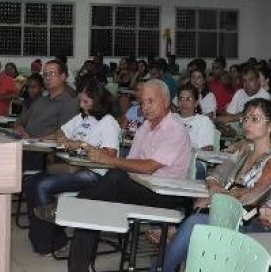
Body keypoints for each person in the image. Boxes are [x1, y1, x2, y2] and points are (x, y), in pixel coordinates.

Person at [66, 80, 191, 272]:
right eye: (142, 102)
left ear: (165, 102)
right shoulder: (144, 128)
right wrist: (105, 160)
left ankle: (75, 209)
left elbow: (149, 167)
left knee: (107, 184)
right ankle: (80, 266)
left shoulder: (176, 130)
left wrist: (109, 160)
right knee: (96, 197)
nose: (145, 107)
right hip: (140, 187)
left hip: (166, 194)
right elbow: (130, 164)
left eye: (151, 101)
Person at [161, 98, 271, 272]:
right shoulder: (245, 150)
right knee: (196, 217)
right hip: (229, 216)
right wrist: (214, 188)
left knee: (195, 224)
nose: (247, 124)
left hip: (259, 225)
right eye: (244, 119)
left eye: (255, 119)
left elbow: (255, 195)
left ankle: (162, 266)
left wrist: (217, 197)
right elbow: (215, 175)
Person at [24, 78, 121, 256]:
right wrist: (60, 137)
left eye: (86, 102)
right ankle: (49, 238)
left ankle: (49, 242)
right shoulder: (82, 117)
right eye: (81, 101)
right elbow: (61, 131)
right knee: (31, 182)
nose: (82, 106)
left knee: (42, 185)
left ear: (97, 101)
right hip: (75, 169)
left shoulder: (109, 123)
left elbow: (110, 156)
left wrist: (81, 145)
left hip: (96, 173)